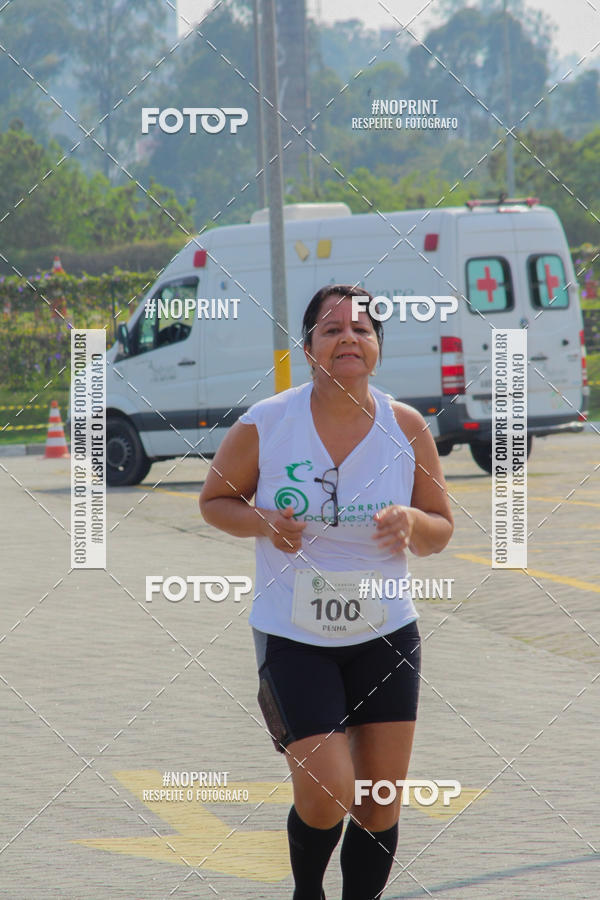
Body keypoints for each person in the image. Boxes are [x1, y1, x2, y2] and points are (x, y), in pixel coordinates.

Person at [199, 284, 454, 900]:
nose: (348, 338)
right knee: (328, 792)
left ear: (377, 350)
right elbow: (213, 502)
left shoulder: (406, 426)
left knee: (379, 801)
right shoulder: (266, 424)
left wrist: (412, 524)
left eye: (362, 330)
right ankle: (307, 889)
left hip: (386, 633)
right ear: (309, 348)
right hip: (294, 634)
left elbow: (440, 527)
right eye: (332, 329)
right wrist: (264, 522)